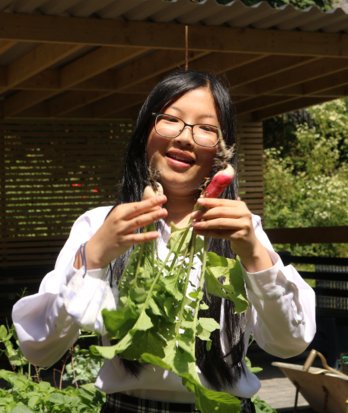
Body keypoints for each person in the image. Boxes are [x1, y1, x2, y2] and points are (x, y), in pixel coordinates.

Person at [12, 70, 316, 413]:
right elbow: (39, 349)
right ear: (145, 132)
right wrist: (94, 256)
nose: (186, 137)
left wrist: (255, 255)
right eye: (171, 119)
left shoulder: (242, 230)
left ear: (222, 150)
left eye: (205, 128)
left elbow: (290, 343)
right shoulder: (99, 225)